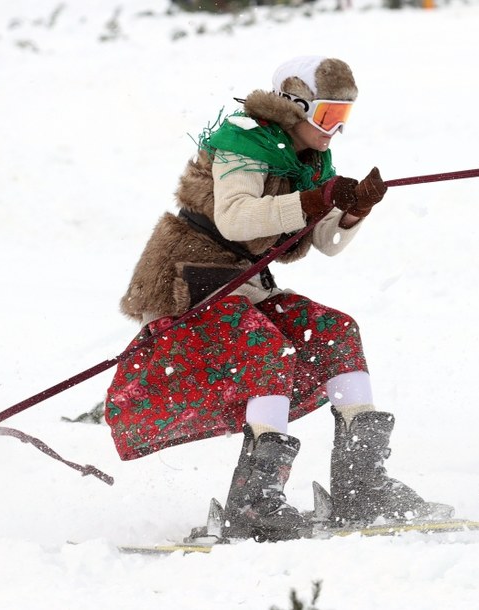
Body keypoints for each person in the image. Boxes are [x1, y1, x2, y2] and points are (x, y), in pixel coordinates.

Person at [105, 56, 446, 541]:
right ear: (294, 105)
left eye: (343, 120)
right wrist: (314, 199)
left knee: (335, 332)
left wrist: (352, 211)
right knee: (267, 350)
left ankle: (361, 486)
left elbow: (322, 242)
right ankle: (254, 503)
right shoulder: (242, 142)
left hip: (247, 286)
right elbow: (238, 220)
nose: (335, 131)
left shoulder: (309, 159)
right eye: (328, 116)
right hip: (192, 285)